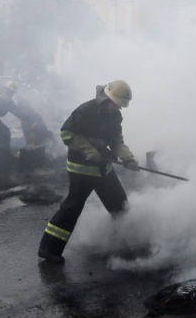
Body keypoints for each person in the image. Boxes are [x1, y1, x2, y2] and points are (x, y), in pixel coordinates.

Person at [38, 80, 139, 264]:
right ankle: (48, 250)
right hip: (81, 170)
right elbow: (67, 134)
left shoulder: (115, 117)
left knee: (120, 205)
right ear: (107, 99)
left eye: (120, 106)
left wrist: (128, 158)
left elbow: (116, 142)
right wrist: (89, 150)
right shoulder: (85, 111)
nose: (117, 109)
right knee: (72, 208)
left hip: (103, 168)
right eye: (116, 105)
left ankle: (131, 247)